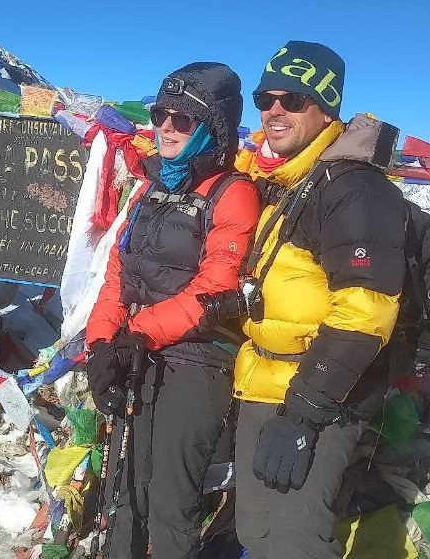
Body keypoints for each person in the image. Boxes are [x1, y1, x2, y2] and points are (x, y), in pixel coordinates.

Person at [226, 41, 408, 558]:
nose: (274, 111)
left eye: (294, 99)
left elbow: (365, 311)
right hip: (266, 382)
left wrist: (304, 414)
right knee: (257, 532)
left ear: (327, 107)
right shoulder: (287, 180)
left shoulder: (354, 191)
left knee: (295, 541)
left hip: (318, 399)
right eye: (265, 98)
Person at [85, 62, 260, 559]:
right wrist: (102, 343)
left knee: (169, 499)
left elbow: (214, 287)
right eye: (162, 114)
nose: (165, 126)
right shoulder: (150, 189)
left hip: (197, 359)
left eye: (183, 119)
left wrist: (135, 334)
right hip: (136, 348)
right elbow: (119, 274)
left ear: (213, 129)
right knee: (125, 487)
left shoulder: (234, 194)